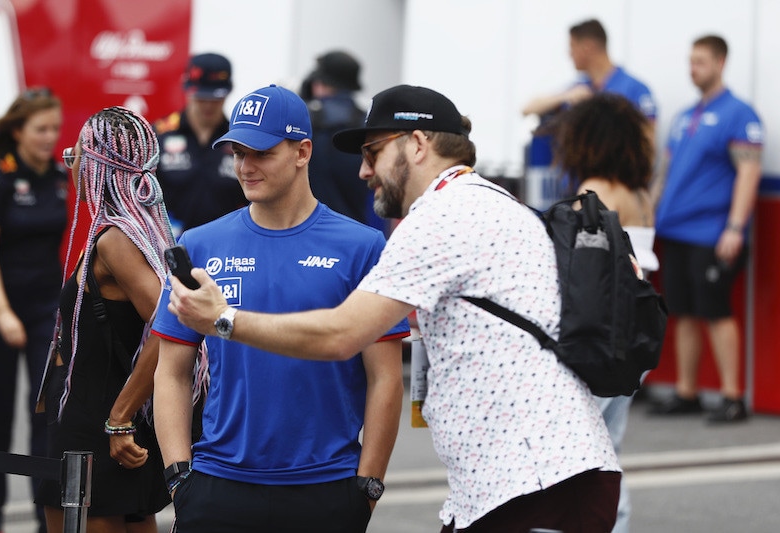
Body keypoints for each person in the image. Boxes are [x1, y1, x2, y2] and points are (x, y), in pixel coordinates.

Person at [163, 84, 621, 533]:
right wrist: (181, 478)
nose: (364, 171)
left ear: (417, 144)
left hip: (531, 479)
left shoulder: (438, 219)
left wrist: (223, 318)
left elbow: (341, 335)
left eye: (374, 152)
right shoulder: (492, 202)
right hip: (529, 475)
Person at [151, 84, 409, 533]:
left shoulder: (361, 247)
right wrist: (178, 475)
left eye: (261, 153)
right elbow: (171, 369)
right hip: (217, 485)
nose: (245, 167)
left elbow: (384, 376)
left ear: (302, 152)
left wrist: (367, 486)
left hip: (326, 487)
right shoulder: (201, 244)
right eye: (237, 153)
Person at [34, 106, 174, 532]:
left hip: (97, 425)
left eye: (75, 155)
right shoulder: (131, 232)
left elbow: (172, 325)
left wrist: (120, 416)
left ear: (97, 166)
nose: (71, 163)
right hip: (101, 419)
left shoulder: (117, 241)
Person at [551, 92, 659, 533]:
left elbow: (576, 269)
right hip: (636, 331)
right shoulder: (640, 195)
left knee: (577, 450)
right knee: (609, 447)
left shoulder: (594, 191)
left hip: (599, 334)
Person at [649, 35, 763, 423]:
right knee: (682, 312)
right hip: (675, 232)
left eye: (700, 61)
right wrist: (650, 214)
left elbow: (749, 173)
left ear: (720, 63)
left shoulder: (739, 114)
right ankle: (687, 392)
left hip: (711, 234)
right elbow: (665, 173)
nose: (692, 69)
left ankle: (733, 397)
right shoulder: (685, 117)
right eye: (690, 61)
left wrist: (735, 227)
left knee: (715, 311)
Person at [0, 87, 64, 533]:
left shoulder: (60, 176)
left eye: (55, 128)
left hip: (45, 308)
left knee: (44, 413)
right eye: (41, 129)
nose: (50, 137)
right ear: (18, 131)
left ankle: (42, 518)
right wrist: (2, 312)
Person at [154, 52, 245, 235]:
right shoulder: (158, 135)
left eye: (216, 98)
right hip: (167, 245)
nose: (208, 105)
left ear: (229, 91)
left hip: (225, 244)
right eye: (201, 97)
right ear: (186, 89)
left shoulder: (239, 140)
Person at [521, 18, 657, 125]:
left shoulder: (634, 89)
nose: (569, 54)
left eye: (572, 46)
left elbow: (648, 141)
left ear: (588, 47)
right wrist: (565, 97)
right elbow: (527, 109)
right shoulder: (578, 89)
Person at [301, 50, 379, 228]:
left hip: (309, 229)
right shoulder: (369, 124)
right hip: (358, 231)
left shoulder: (305, 120)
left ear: (319, 83)